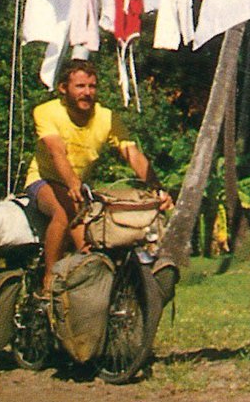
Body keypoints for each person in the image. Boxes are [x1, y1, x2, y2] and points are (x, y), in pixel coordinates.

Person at [23, 59, 172, 291]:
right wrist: (72, 183)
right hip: (44, 180)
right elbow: (56, 152)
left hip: (79, 188)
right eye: (80, 86)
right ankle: (49, 281)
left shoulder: (107, 117)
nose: (87, 93)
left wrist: (156, 187)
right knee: (64, 211)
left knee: (95, 244)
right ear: (63, 88)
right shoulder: (46, 111)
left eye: (92, 86)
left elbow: (131, 153)